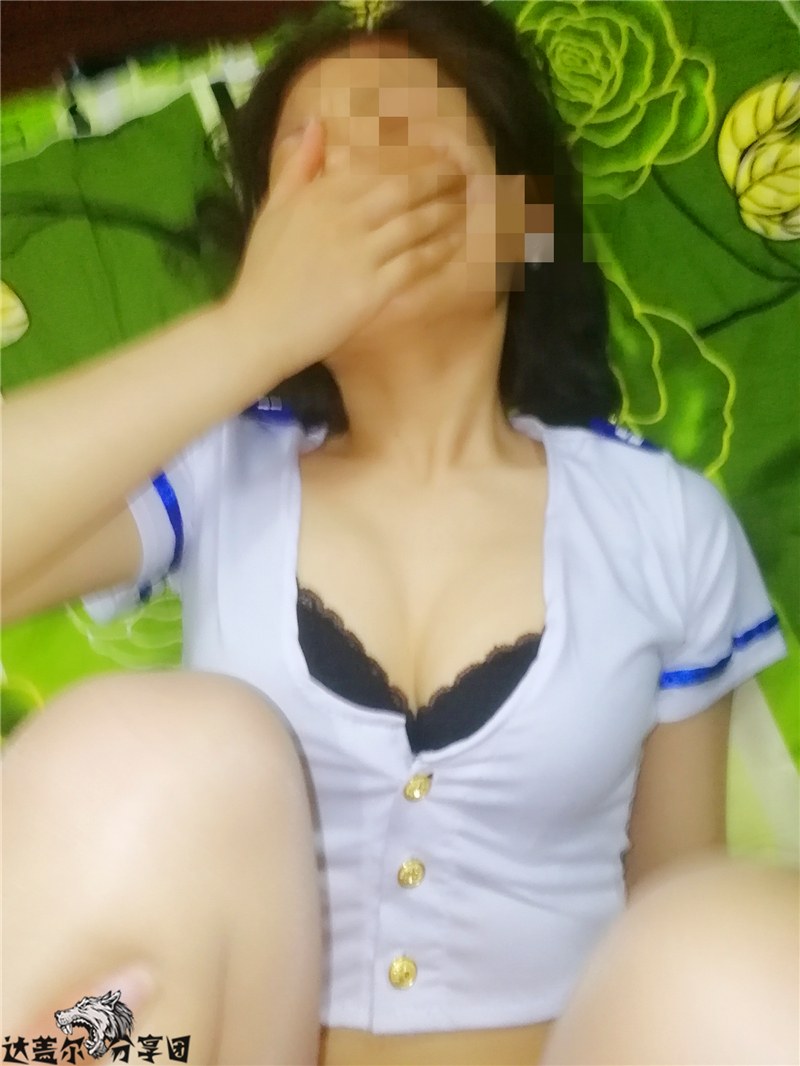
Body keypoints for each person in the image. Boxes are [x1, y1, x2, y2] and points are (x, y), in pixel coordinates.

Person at [1, 3, 790, 1064]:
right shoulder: (217, 466)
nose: (366, 193)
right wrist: (251, 332)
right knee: (147, 750)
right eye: (317, 163)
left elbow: (673, 919)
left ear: (524, 222)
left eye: (413, 141)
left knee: (737, 947)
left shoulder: (662, 521)